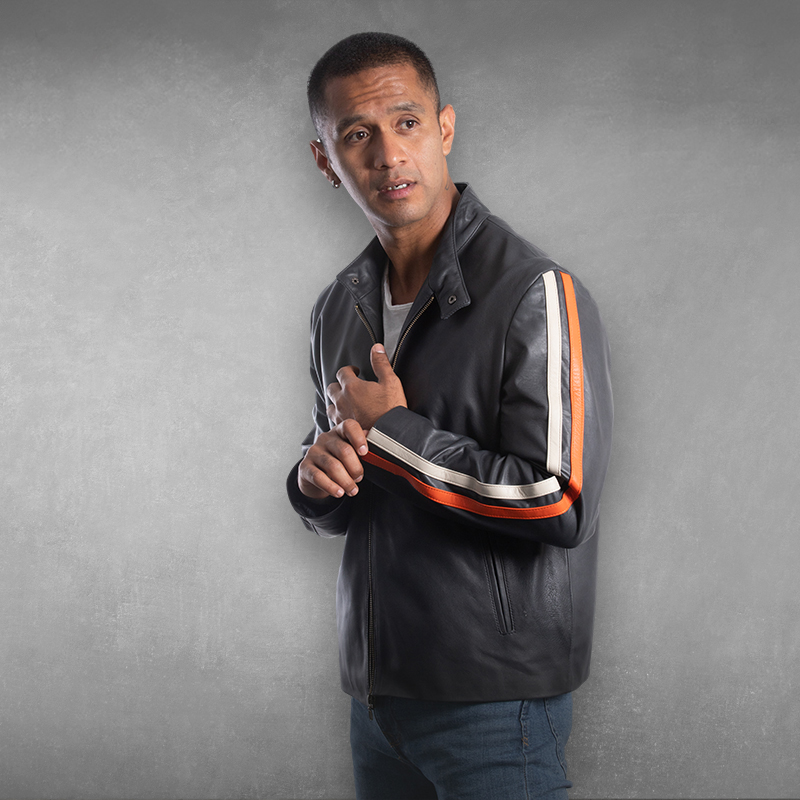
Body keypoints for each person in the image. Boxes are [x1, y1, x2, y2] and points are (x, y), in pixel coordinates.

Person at [286, 31, 613, 800]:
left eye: (406, 123)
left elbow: (560, 499)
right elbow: (345, 492)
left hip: (495, 706)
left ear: (444, 129)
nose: (388, 155)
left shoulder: (535, 291)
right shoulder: (337, 307)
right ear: (326, 161)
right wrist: (313, 482)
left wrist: (394, 434)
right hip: (378, 698)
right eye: (357, 135)